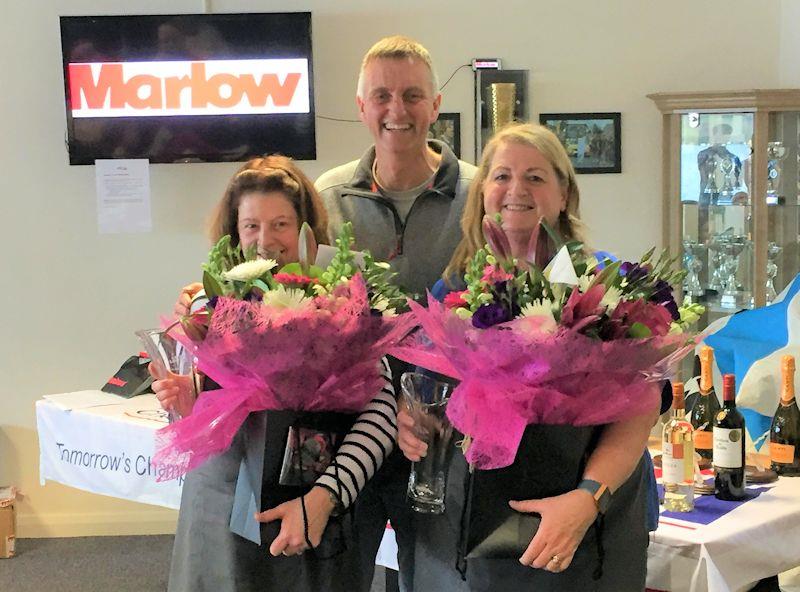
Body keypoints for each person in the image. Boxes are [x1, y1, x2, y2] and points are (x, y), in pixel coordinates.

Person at [397, 123, 659, 591]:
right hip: (473, 526)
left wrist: (586, 498)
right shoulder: (453, 290)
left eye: (535, 177)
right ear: (482, 195)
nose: (515, 189)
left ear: (563, 196)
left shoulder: (602, 288)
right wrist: (413, 425)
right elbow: (429, 397)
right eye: (501, 176)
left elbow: (640, 408)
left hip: (584, 520)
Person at [153, 155, 398, 592]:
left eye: (280, 224)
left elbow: (382, 411)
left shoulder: (342, 303)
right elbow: (195, 420)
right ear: (234, 231)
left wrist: (328, 495)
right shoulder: (209, 307)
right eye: (251, 226)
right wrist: (186, 404)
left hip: (312, 504)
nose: (265, 241)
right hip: (220, 504)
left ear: (305, 230)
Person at [314, 35, 476, 591]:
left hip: (445, 440)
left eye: (412, 95)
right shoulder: (327, 198)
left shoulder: (481, 195)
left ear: (435, 106)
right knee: (339, 574)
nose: (396, 110)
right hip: (351, 433)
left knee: (438, 580)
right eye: (381, 96)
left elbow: (504, 320)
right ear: (361, 107)